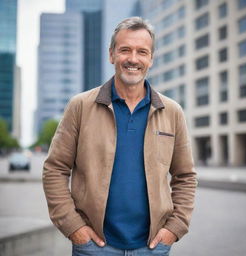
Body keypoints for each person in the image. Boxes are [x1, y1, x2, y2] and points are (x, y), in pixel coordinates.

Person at [43, 16, 197, 256]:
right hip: (93, 247)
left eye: (142, 52)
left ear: (151, 59)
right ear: (111, 54)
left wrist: (174, 228)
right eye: (125, 50)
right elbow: (54, 169)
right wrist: (74, 228)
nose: (133, 59)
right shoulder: (80, 106)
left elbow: (185, 176)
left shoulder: (172, 111)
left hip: (153, 248)